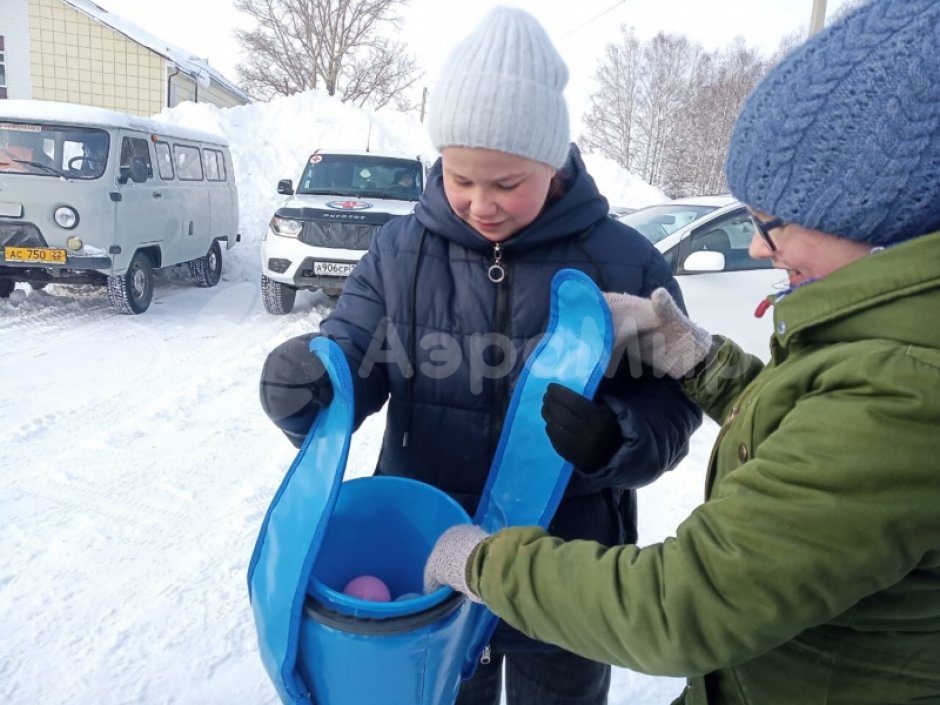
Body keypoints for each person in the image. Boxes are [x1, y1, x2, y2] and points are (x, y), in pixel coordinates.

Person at [423, 1, 940, 702]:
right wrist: (700, 360)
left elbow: (681, 604)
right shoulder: (893, 342)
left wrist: (489, 554)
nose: (757, 246)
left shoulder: (907, 391)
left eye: (773, 222)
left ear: (880, 216)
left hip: (575, 588)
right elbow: (808, 428)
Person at [258, 7, 701, 705]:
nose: (479, 203)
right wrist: (311, 386)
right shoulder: (401, 252)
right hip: (431, 561)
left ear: (552, 163)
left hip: (565, 570)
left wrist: (617, 437)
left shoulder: (623, 262)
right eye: (461, 177)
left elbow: (675, 404)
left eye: (505, 184)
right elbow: (353, 354)